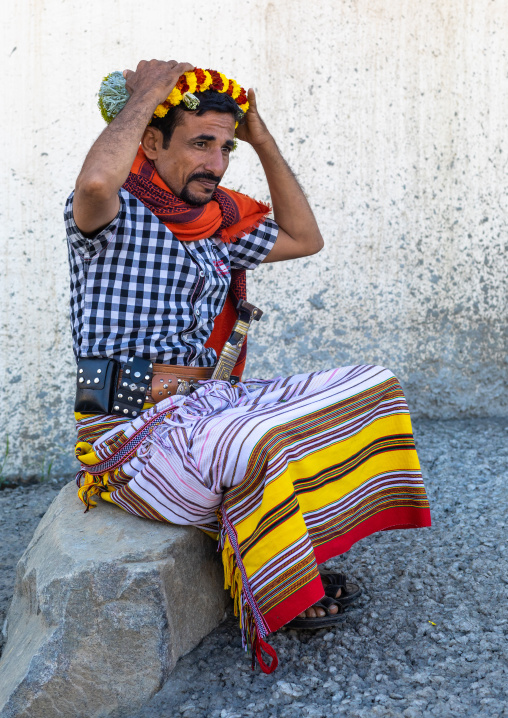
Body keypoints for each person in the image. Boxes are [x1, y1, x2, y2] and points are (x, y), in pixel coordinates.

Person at [65, 60, 431, 672]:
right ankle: (281, 585)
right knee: (256, 442)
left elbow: (304, 236)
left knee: (375, 386)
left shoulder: (216, 224)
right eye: (200, 143)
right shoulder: (109, 215)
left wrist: (259, 137)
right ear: (151, 142)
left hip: (211, 407)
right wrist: (153, 90)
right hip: (129, 433)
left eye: (224, 147)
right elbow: (98, 184)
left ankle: (286, 542)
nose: (215, 162)